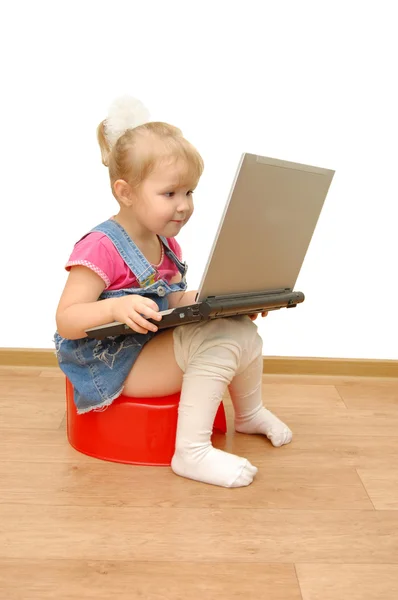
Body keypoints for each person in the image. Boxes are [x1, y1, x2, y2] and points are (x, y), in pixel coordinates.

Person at [54, 96, 292, 488]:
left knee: (240, 329)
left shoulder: (166, 243)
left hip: (148, 347)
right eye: (170, 194)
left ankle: (250, 413)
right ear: (125, 192)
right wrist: (117, 309)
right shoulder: (100, 247)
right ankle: (191, 452)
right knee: (220, 342)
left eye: (190, 192)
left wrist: (213, 300)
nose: (183, 206)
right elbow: (66, 319)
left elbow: (170, 299)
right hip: (116, 366)